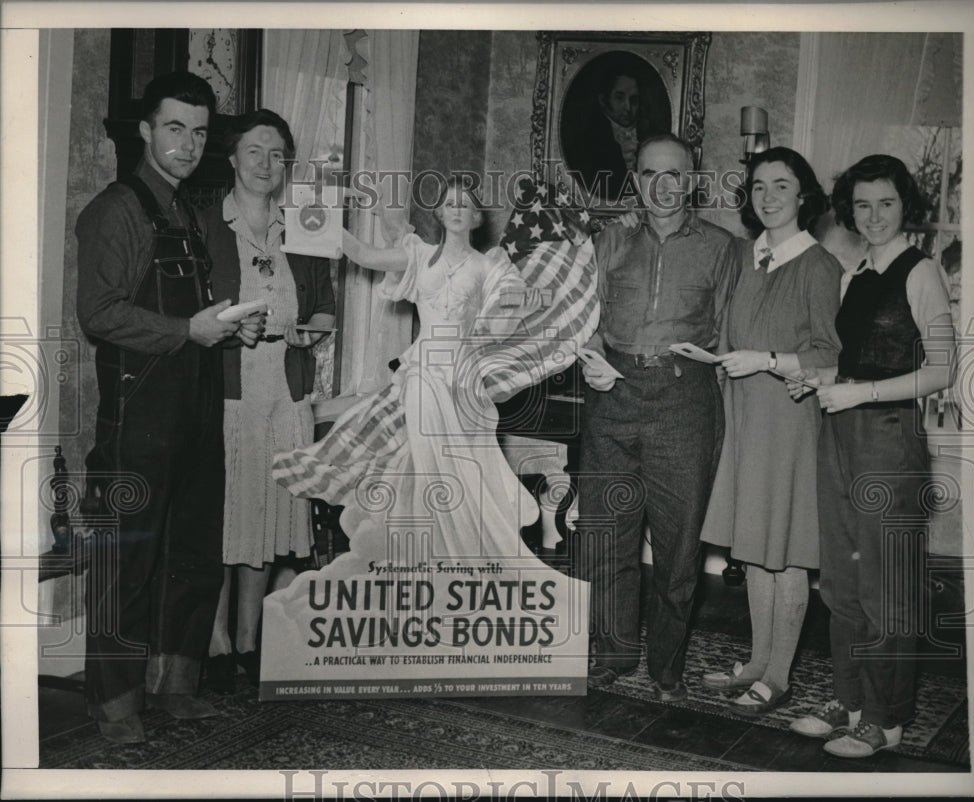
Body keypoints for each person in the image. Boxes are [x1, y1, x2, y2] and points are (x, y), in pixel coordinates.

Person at [272, 176, 595, 565]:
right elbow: (362, 255)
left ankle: (459, 554)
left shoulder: (488, 266)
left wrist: (518, 305)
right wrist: (316, 212)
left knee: (462, 464)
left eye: (465, 204)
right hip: (423, 371)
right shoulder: (417, 255)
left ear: (475, 217)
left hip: (462, 379)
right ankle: (423, 553)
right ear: (439, 213)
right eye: (449, 202)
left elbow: (509, 312)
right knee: (425, 458)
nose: (457, 209)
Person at [76, 71, 262, 743]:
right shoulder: (116, 209)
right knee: (125, 558)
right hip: (139, 409)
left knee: (190, 547)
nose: (188, 144)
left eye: (201, 131)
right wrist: (188, 331)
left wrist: (224, 326)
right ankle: (116, 705)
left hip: (195, 401)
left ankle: (175, 685)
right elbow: (98, 314)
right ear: (146, 130)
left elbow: (190, 311)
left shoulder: (186, 211)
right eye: (176, 128)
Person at [786, 154, 955, 757]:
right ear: (848, 210)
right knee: (842, 579)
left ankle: (885, 721)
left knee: (888, 585)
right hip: (842, 433)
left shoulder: (922, 272)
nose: (873, 215)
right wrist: (822, 377)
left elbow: (942, 370)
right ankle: (851, 701)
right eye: (862, 204)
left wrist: (861, 390)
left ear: (904, 205)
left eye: (885, 202)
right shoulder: (856, 272)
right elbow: (862, 360)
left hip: (890, 439)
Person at [575, 134, 740, 701]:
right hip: (612, 395)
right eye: (649, 175)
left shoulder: (723, 247)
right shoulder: (610, 238)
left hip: (683, 397)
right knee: (608, 535)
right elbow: (587, 317)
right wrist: (591, 357)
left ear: (692, 180)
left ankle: (666, 666)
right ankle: (613, 653)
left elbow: (727, 334)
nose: (662, 187)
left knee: (678, 543)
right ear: (636, 180)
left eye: (674, 175)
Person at [699, 147, 841, 716]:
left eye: (781, 186)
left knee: (784, 553)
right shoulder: (744, 257)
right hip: (745, 419)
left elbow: (827, 358)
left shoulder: (818, 266)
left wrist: (765, 359)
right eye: (759, 187)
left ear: (803, 195)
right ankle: (757, 662)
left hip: (789, 421)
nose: (769, 197)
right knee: (757, 549)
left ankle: (778, 676)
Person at [198, 109, 336, 692]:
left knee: (266, 520)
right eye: (254, 152)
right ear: (232, 158)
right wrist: (231, 329)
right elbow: (196, 313)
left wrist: (316, 328)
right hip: (229, 386)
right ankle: (214, 642)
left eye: (277, 155)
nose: (265, 165)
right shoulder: (204, 224)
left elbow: (325, 303)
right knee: (229, 518)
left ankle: (249, 641)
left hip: (287, 388)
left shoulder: (302, 230)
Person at [564, 62, 663, 203]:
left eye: (634, 100)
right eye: (619, 97)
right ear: (603, 100)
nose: (628, 107)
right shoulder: (587, 141)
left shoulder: (651, 135)